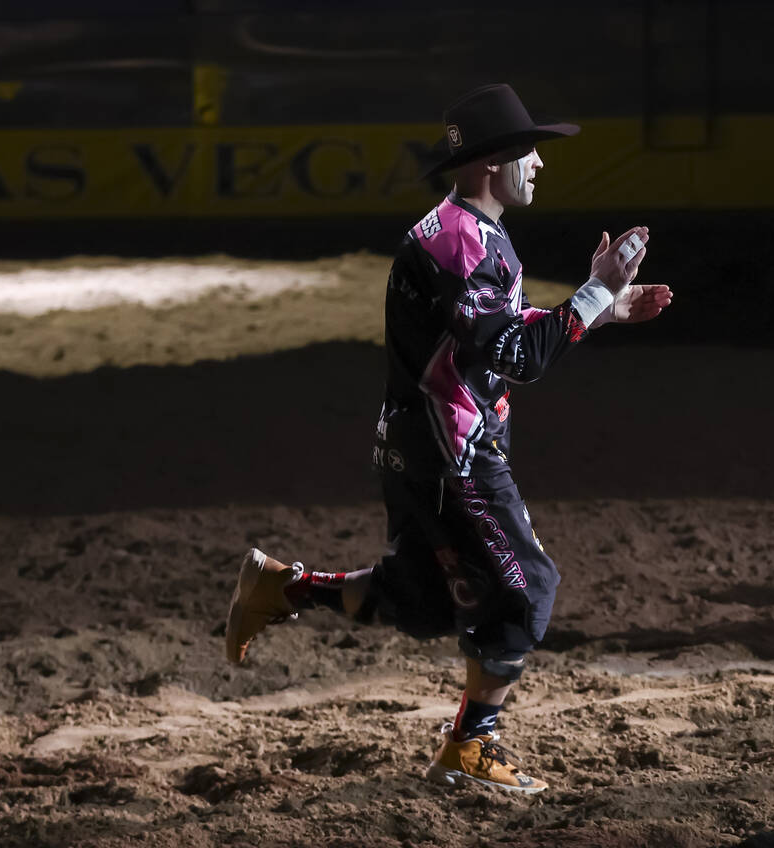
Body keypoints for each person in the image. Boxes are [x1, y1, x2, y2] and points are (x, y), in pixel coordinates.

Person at [225, 83, 673, 794]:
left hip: (417, 448)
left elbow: (498, 342)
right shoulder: (464, 244)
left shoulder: (459, 231)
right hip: (451, 456)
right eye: (530, 152)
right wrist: (593, 291)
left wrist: (604, 309)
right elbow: (517, 360)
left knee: (431, 597)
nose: (541, 166)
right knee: (528, 594)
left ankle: (285, 587)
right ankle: (470, 744)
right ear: (493, 163)